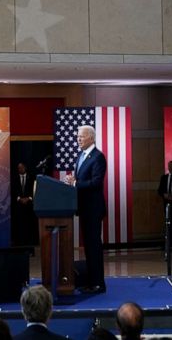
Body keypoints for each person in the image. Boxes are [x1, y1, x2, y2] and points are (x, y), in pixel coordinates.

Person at [65, 125, 106, 293]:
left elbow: (96, 182)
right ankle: (91, 281)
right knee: (88, 247)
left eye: (81, 136)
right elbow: (82, 179)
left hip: (93, 209)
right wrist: (74, 179)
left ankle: (98, 284)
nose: (78, 139)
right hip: (84, 209)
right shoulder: (81, 156)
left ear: (91, 137)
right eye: (77, 136)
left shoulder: (98, 157)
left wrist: (75, 183)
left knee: (94, 246)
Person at [13, 163, 36, 247]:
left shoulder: (32, 177)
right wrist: (19, 198)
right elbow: (13, 190)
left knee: (29, 225)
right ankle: (20, 244)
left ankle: (29, 244)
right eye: (18, 168)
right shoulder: (15, 178)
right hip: (19, 206)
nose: (20, 169)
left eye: (22, 167)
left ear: (25, 168)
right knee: (20, 225)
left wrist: (29, 198)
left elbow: (34, 189)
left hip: (29, 205)